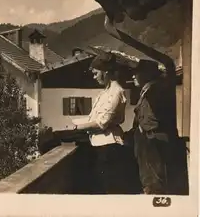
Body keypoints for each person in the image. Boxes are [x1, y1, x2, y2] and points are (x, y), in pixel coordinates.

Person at [71, 52, 140, 194]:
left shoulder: (116, 92)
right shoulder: (104, 93)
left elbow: (102, 122)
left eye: (96, 73)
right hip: (98, 146)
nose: (94, 76)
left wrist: (76, 127)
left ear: (106, 72)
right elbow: (92, 118)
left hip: (109, 148)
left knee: (109, 189)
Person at [129, 59, 188, 195]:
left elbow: (158, 117)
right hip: (147, 138)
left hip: (153, 137)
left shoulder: (157, 89)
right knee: (149, 176)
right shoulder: (148, 90)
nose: (133, 76)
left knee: (155, 178)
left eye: (137, 73)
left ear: (147, 74)